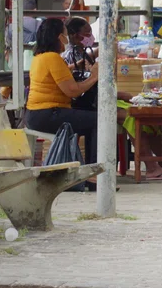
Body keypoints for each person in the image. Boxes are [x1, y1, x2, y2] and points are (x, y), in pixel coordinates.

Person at [61, 18, 162, 180]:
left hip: (101, 99)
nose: (90, 37)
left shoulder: (86, 51)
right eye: (86, 34)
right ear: (74, 36)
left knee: (141, 111)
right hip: (88, 105)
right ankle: (151, 167)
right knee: (131, 116)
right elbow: (81, 86)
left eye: (90, 33)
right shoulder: (69, 56)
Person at [24, 19, 104, 189]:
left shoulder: (40, 57)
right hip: (47, 114)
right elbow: (73, 91)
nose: (67, 40)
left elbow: (62, 72)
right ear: (59, 37)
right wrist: (94, 76)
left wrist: (79, 65)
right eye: (66, 35)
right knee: (100, 121)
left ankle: (91, 171)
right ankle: (94, 174)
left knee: (91, 119)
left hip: (36, 114)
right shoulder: (52, 58)